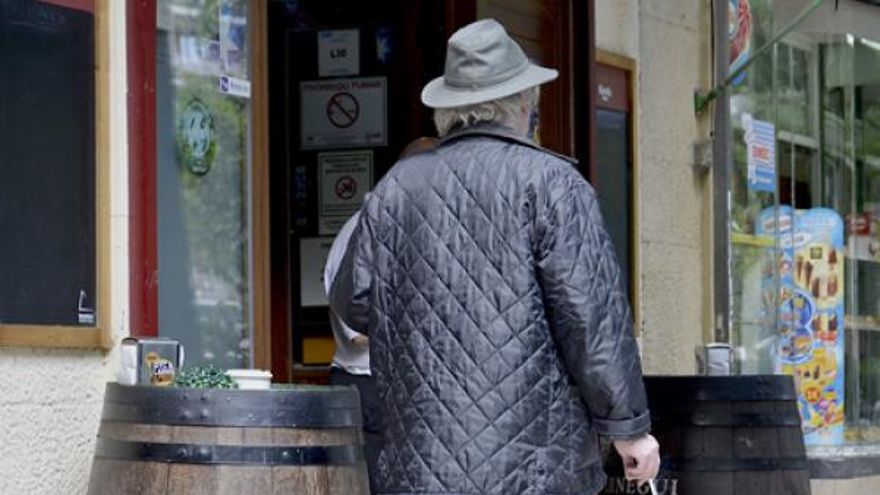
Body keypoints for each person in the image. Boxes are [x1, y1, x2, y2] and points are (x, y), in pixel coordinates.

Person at [331, 18, 659, 495]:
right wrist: (629, 429)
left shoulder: (396, 188)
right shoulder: (553, 184)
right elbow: (592, 319)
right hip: (534, 467)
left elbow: (353, 302)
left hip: (420, 465)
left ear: (448, 109)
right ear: (522, 104)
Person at [324, 136, 438, 493]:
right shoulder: (365, 230)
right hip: (369, 387)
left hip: (393, 388)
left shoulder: (406, 226)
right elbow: (357, 330)